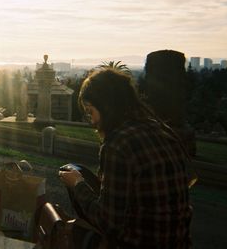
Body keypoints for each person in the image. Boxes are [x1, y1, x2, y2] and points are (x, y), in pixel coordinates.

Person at [59, 68, 193, 248]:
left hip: (137, 243)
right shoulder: (161, 130)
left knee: (57, 225)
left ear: (107, 106)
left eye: (90, 111)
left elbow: (109, 224)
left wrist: (78, 185)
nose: (91, 121)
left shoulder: (119, 144)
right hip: (178, 242)